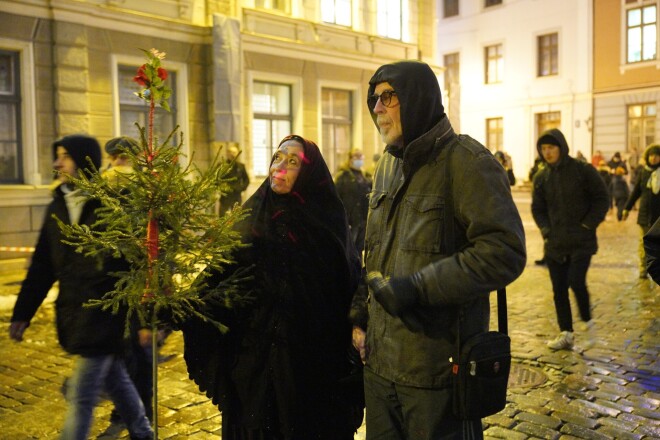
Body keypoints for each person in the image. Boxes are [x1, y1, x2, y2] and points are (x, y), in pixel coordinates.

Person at [351, 60, 526, 439]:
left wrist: (418, 287)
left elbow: (504, 251)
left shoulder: (467, 162)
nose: (377, 108)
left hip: (437, 374)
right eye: (373, 99)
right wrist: (358, 315)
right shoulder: (385, 166)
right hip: (380, 369)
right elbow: (373, 251)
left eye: (388, 97)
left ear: (418, 98)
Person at [182, 134, 363, 439]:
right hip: (255, 360)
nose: (281, 166)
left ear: (308, 174)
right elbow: (219, 273)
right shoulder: (252, 216)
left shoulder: (327, 222)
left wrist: (358, 322)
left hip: (308, 366)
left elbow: (349, 281)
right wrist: (182, 306)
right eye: (277, 158)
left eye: (293, 162)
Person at [8, 134, 153, 440]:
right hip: (75, 312)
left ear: (84, 162)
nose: (58, 163)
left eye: (65, 156)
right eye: (57, 156)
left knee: (81, 394)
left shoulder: (110, 205)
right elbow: (43, 266)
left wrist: (143, 319)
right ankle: (143, 431)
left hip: (105, 317)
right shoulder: (58, 205)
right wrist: (23, 312)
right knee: (116, 379)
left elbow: (133, 267)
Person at [531, 129, 609, 350]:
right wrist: (546, 230)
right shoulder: (541, 177)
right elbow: (538, 209)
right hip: (555, 243)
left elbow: (601, 198)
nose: (547, 153)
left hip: (581, 241)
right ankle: (566, 332)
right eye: (543, 149)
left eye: (551, 148)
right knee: (559, 289)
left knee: (576, 281)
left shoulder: (582, 170)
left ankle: (588, 324)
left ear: (561, 147)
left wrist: (587, 225)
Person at [622, 143, 660, 279]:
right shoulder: (644, 172)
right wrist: (626, 208)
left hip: (658, 217)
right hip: (644, 214)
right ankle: (643, 269)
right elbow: (636, 192)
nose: (654, 158)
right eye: (651, 155)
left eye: (656, 155)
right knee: (644, 244)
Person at [335, 147, 372, 257]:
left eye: (361, 156)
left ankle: (358, 272)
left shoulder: (365, 176)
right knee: (348, 250)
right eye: (356, 156)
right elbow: (336, 198)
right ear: (350, 158)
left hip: (363, 219)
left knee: (359, 250)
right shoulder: (342, 176)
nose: (359, 159)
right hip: (350, 221)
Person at [220, 144, 250, 212]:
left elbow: (247, 180)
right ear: (227, 153)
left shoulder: (241, 166)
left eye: (234, 152)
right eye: (230, 152)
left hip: (236, 195)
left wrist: (241, 188)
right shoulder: (221, 165)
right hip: (225, 196)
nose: (232, 154)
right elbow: (216, 179)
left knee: (236, 218)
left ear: (237, 154)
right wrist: (221, 188)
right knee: (222, 217)